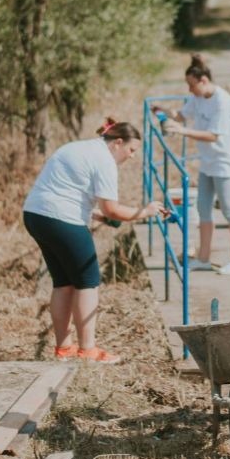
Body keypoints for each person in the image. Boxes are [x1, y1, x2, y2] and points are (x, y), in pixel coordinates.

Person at [23, 118, 166, 364]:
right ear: (117, 143)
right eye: (131, 150)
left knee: (63, 282)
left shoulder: (78, 147)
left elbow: (68, 190)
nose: (132, 156)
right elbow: (111, 209)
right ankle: (88, 350)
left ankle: (63, 349)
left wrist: (94, 215)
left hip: (36, 215)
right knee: (88, 282)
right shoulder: (105, 161)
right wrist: (146, 211)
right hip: (62, 219)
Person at [153, 54, 230, 275]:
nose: (189, 89)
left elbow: (213, 135)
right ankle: (203, 258)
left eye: (191, 85)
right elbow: (183, 115)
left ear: (203, 80)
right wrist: (164, 112)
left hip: (224, 162)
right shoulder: (198, 98)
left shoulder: (223, 102)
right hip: (208, 163)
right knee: (203, 209)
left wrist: (181, 131)